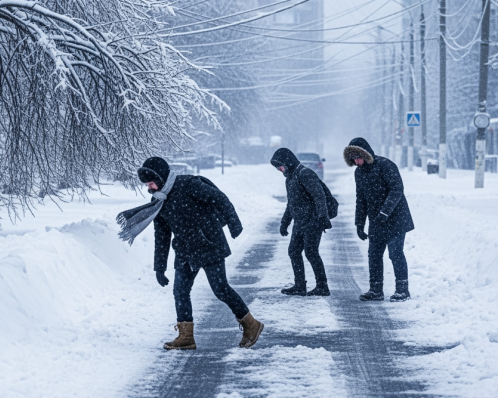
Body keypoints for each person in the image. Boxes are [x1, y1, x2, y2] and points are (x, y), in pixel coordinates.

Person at [117, 157, 264, 350]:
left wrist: (234, 222)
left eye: (151, 182)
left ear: (160, 177)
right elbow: (161, 236)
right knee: (180, 291)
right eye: (146, 184)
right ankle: (186, 337)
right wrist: (159, 268)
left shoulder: (188, 184)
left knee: (220, 289)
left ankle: (251, 324)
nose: (149, 187)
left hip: (209, 243)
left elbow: (219, 198)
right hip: (185, 250)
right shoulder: (158, 201)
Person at [343, 138, 414, 302]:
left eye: (358, 157)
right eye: (353, 159)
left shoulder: (385, 165)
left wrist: (385, 212)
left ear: (365, 154)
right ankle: (376, 290)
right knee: (374, 255)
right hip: (376, 221)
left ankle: (402, 290)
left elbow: (397, 189)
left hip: (396, 218)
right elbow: (360, 199)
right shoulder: (359, 173)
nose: (357, 162)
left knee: (395, 253)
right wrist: (359, 224)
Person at [270, 148, 332, 297]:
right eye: (277, 167)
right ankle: (300, 285)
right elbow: (291, 203)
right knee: (293, 251)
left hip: (313, 221)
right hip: (300, 222)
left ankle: (322, 286)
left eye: (280, 166)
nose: (279, 169)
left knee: (311, 252)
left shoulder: (305, 174)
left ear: (288, 161)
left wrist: (323, 217)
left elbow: (319, 196)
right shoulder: (290, 178)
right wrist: (284, 223)